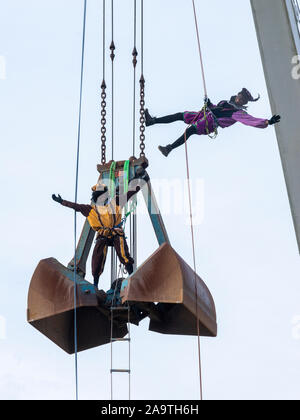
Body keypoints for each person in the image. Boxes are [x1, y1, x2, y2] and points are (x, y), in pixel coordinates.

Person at [52, 174, 147, 289]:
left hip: (116, 232)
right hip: (103, 235)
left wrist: (141, 182)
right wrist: (62, 201)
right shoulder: (90, 210)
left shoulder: (115, 203)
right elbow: (75, 206)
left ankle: (132, 275)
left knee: (123, 254)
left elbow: (129, 194)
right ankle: (95, 283)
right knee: (97, 257)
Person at [145, 88, 281, 157]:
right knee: (180, 115)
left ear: (244, 102)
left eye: (243, 99)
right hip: (205, 114)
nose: (240, 98)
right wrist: (208, 103)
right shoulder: (225, 103)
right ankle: (152, 121)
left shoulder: (238, 112)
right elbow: (214, 107)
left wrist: (267, 122)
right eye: (241, 96)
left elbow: (250, 121)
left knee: (190, 130)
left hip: (211, 122)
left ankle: (169, 148)